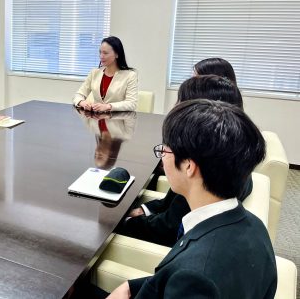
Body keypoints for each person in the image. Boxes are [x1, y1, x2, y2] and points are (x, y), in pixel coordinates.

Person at [107, 99, 276, 298]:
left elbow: (189, 276)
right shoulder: (254, 226)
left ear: (189, 166)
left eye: (165, 149)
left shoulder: (196, 277)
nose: (162, 155)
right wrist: (130, 287)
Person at [119, 75, 248, 247]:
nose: (175, 107)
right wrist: (145, 209)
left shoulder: (201, 179)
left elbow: (168, 227)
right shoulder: (223, 163)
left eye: (181, 101)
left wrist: (123, 222)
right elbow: (172, 204)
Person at [73, 36, 138, 112]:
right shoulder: (94, 73)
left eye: (105, 53)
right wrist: (82, 103)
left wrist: (108, 106)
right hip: (95, 120)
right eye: (100, 52)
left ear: (117, 54)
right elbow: (78, 95)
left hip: (117, 121)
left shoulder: (130, 76)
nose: (101, 56)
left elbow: (132, 103)